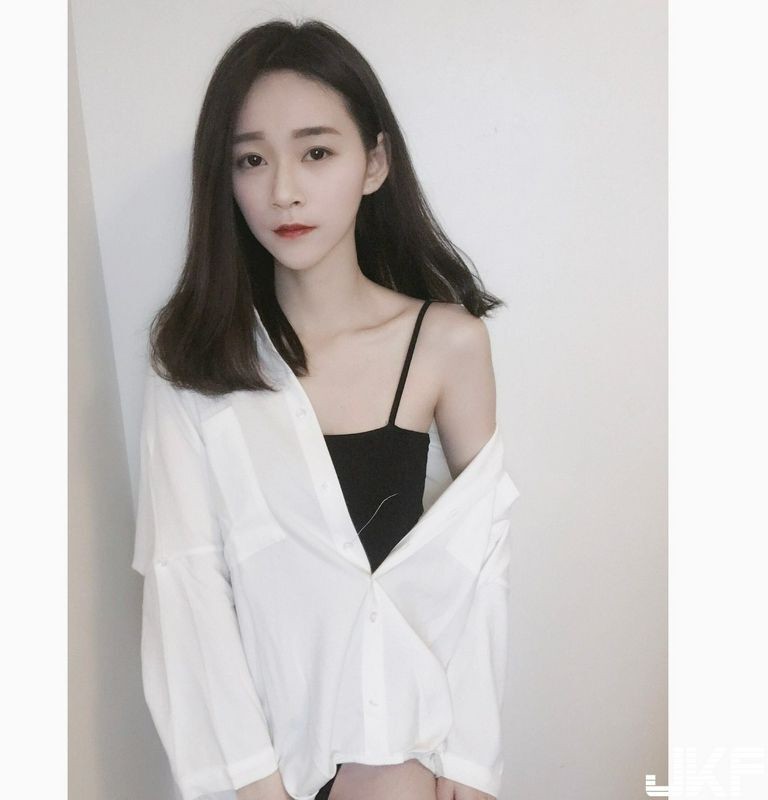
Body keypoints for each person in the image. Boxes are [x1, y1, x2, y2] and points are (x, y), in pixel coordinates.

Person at [131, 17, 520, 800]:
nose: (284, 190)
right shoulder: (195, 364)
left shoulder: (446, 344)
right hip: (268, 764)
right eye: (251, 159)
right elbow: (188, 583)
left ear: (374, 162)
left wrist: (470, 765)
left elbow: (480, 565)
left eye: (316, 152)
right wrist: (255, 785)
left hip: (403, 755)